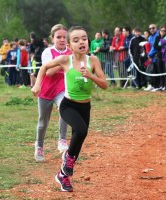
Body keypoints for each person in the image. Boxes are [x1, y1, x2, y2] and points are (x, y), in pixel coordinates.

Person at [31, 26, 108, 192]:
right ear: (70, 45)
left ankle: (63, 176)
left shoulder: (93, 60)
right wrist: (37, 85)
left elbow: (105, 85)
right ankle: (65, 159)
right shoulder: (65, 60)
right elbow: (44, 68)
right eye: (76, 40)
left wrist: (91, 75)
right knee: (81, 131)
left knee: (77, 141)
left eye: (84, 38)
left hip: (85, 106)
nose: (81, 42)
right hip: (68, 105)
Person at [32, 24, 72, 163]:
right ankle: (39, 146)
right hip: (46, 90)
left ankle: (62, 139)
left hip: (62, 89)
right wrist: (63, 62)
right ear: (52, 38)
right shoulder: (48, 52)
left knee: (65, 108)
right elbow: (48, 72)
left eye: (64, 37)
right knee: (43, 122)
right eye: (58, 37)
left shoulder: (71, 52)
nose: (62, 40)